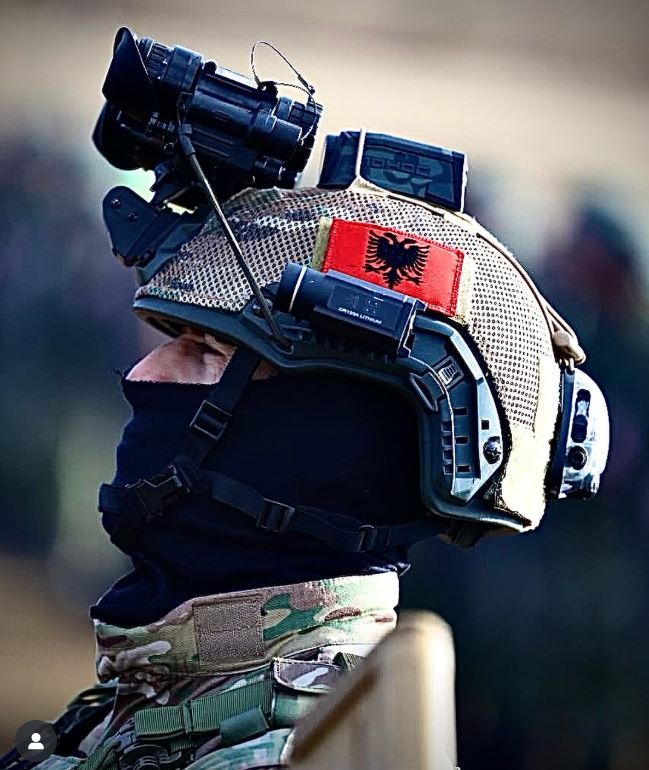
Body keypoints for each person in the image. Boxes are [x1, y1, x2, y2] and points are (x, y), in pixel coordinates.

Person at [6, 158, 608, 770]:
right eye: (173, 340)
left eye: (206, 353)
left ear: (335, 448)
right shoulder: (175, 694)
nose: (144, 374)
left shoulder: (302, 750)